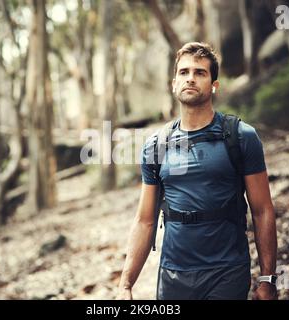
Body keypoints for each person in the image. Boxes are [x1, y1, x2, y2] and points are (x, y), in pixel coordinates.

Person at [117, 42, 277, 300]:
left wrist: (268, 279)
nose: (190, 78)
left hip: (227, 272)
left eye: (200, 73)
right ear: (173, 83)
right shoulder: (156, 146)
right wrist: (126, 284)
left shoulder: (240, 137)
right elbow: (145, 220)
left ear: (214, 85)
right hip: (173, 275)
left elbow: (262, 210)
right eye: (184, 72)